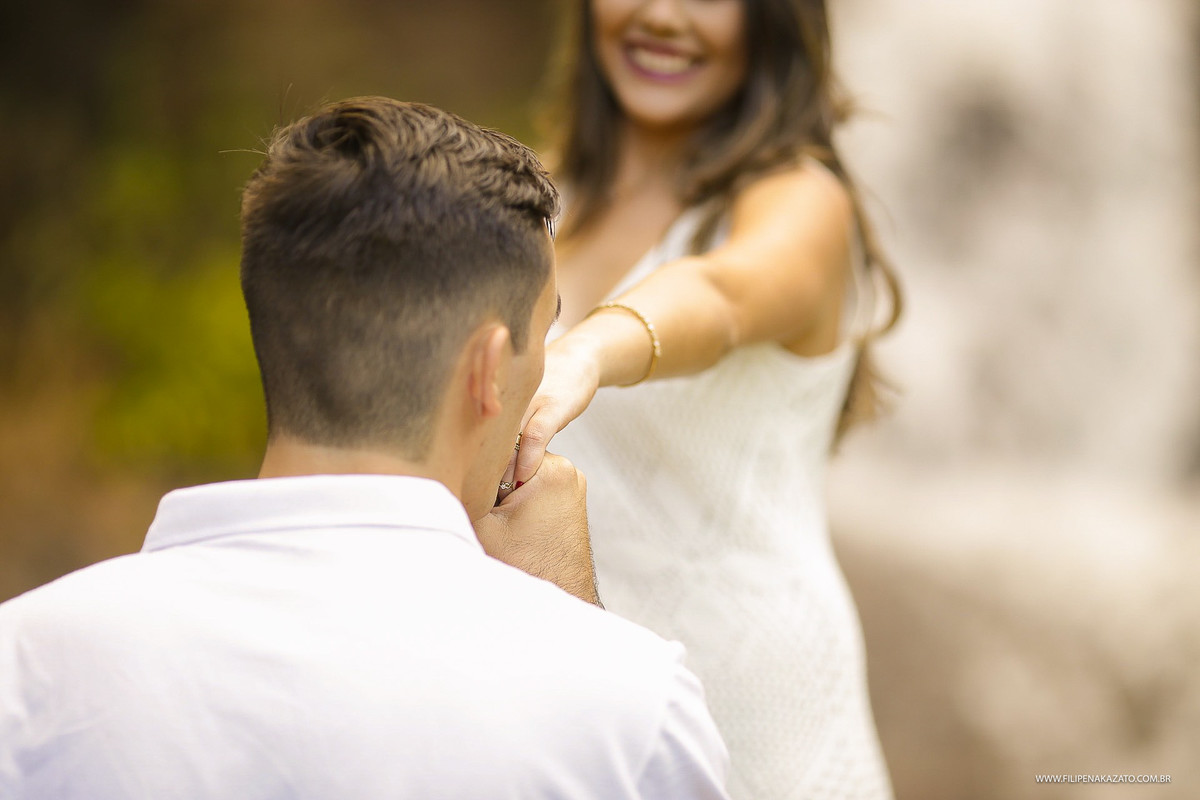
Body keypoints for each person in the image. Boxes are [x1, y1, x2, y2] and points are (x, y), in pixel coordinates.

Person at [0, 97, 731, 800]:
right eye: (545, 334)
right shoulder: (629, 703)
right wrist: (568, 611)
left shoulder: (24, 663)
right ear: (486, 370)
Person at [505, 2, 903, 798]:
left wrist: (586, 349)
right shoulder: (546, 188)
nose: (662, 16)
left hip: (745, 687)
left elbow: (722, 296)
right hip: (581, 674)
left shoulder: (801, 200)